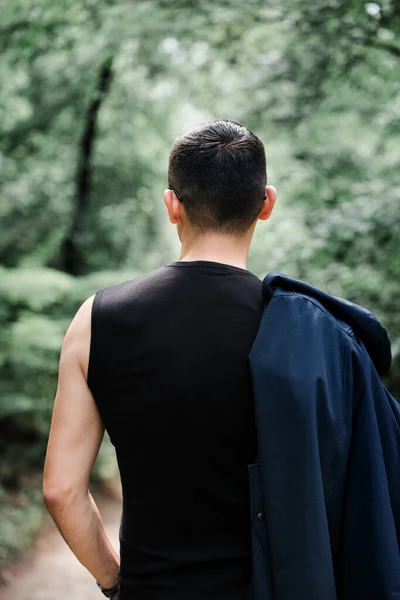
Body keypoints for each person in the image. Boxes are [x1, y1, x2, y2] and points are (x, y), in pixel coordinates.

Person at [42, 120, 277, 600]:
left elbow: (61, 490)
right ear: (266, 203)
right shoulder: (298, 324)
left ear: (172, 206)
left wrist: (115, 582)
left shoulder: (97, 320)